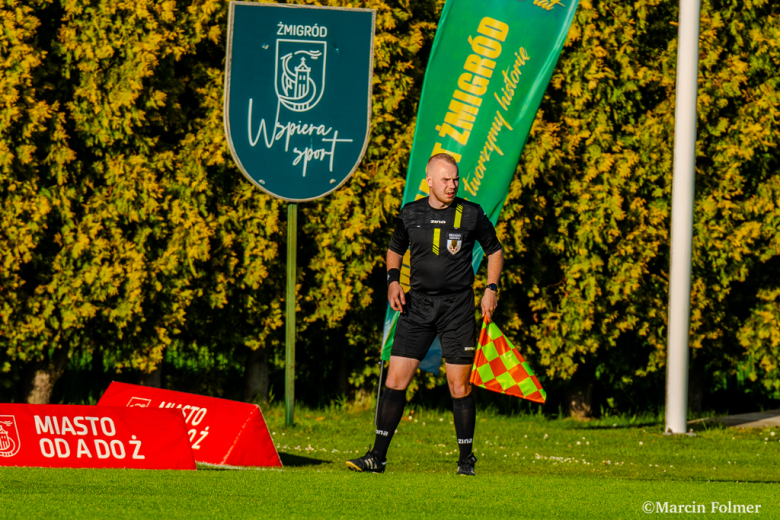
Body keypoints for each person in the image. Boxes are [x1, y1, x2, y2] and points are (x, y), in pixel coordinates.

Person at [346, 152, 503, 476]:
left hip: (457, 308)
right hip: (416, 306)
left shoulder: (471, 214)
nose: (452, 185)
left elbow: (495, 250)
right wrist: (393, 283)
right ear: (429, 181)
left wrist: (491, 288)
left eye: (456, 179)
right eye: (445, 179)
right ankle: (377, 457)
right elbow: (394, 249)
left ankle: (465, 461)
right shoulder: (411, 213)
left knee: (458, 386)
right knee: (395, 380)